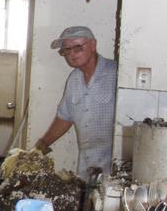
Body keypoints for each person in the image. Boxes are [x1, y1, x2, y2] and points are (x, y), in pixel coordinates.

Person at [33, 25, 118, 176]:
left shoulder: (117, 74)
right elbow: (65, 117)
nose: (71, 54)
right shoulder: (74, 79)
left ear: (93, 45)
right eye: (66, 50)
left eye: (77, 48)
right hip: (87, 164)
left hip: (114, 165)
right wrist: (41, 146)